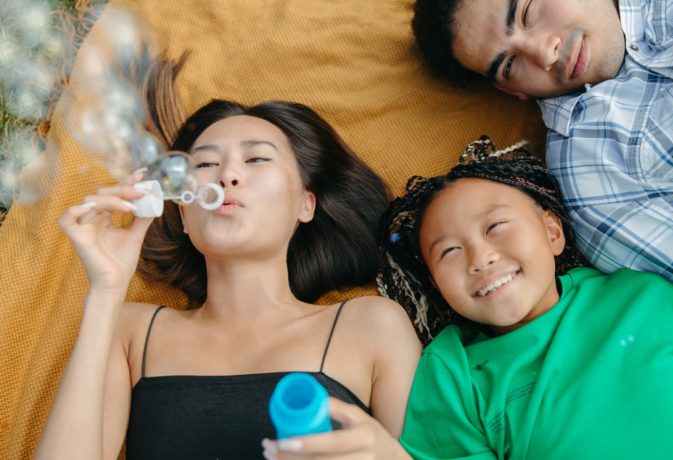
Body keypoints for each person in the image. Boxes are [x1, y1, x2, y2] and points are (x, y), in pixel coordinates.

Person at [35, 56, 420, 459]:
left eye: (256, 159)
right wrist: (105, 291)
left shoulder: (372, 325)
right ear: (184, 213)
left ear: (305, 205)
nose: (227, 176)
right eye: (204, 163)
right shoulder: (129, 329)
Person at [377, 136, 673, 459]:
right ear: (438, 287)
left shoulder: (643, 298)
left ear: (552, 232)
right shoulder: (452, 372)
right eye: (450, 251)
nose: (480, 258)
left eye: (495, 227)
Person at [411, 0, 673, 333]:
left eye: (527, 13)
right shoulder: (589, 170)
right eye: (511, 64)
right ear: (512, 90)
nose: (546, 54)